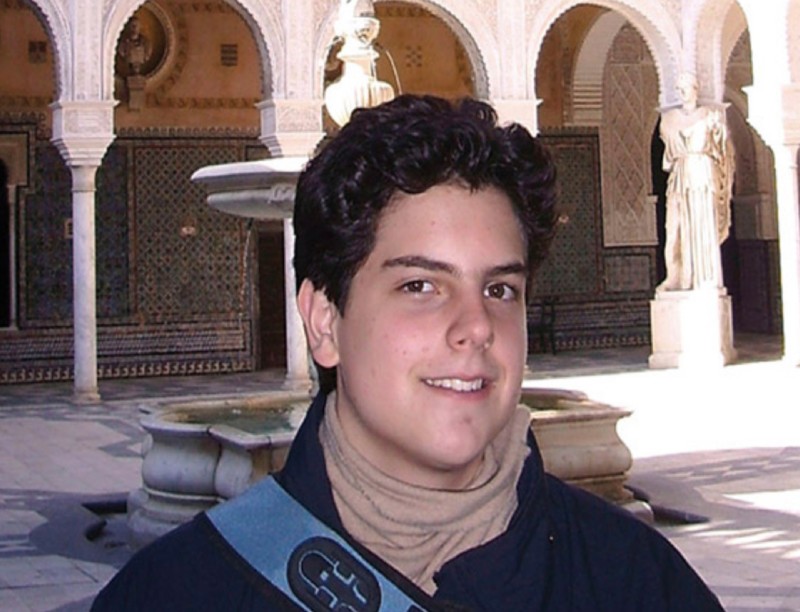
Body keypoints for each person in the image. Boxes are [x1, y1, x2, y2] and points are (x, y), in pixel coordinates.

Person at [92, 95, 723, 611]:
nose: (476, 327)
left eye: (499, 289)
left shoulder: (637, 582)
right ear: (324, 321)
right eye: (420, 286)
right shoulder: (179, 592)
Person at [658, 73, 735, 292]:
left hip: (702, 173)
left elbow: (723, 149)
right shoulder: (669, 119)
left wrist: (719, 129)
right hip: (681, 175)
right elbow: (668, 151)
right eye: (679, 89)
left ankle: (704, 277)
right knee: (675, 228)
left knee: (702, 223)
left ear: (696, 89)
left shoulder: (708, 115)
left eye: (687, 87)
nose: (683, 93)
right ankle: (676, 276)